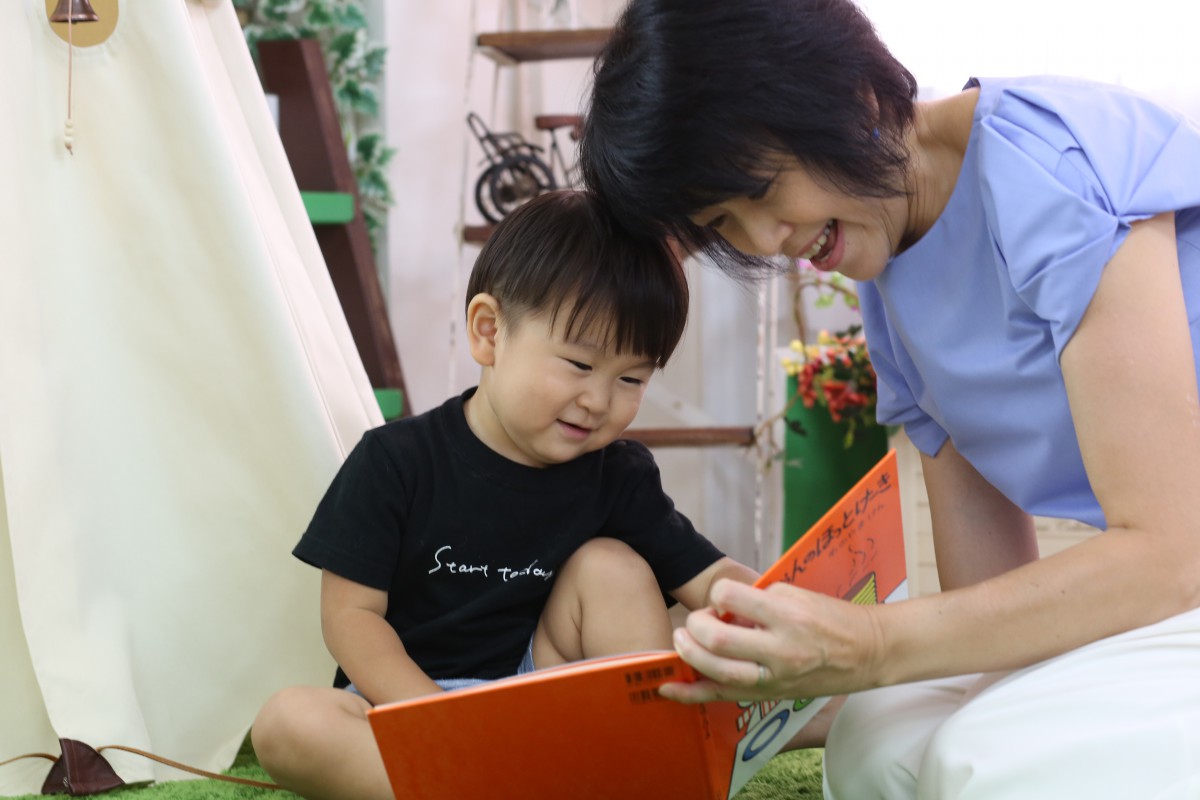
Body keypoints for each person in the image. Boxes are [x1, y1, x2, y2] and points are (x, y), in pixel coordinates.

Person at [580, 1, 1200, 797]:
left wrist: (870, 643)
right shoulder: (888, 282)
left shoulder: (1046, 164)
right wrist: (800, 677)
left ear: (841, 95)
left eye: (760, 190)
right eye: (723, 224)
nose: (766, 241)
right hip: (1175, 591)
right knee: (880, 742)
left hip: (1180, 573)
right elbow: (989, 603)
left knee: (983, 756)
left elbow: (1170, 555)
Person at [249, 190, 757, 800]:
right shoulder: (394, 461)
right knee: (287, 723)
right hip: (406, 706)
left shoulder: (617, 474)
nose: (599, 399)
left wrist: (794, 606)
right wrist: (433, 716)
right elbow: (350, 617)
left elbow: (707, 578)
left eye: (630, 378)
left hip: (541, 700)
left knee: (613, 567)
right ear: (489, 333)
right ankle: (493, 785)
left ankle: (643, 760)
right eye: (577, 363)